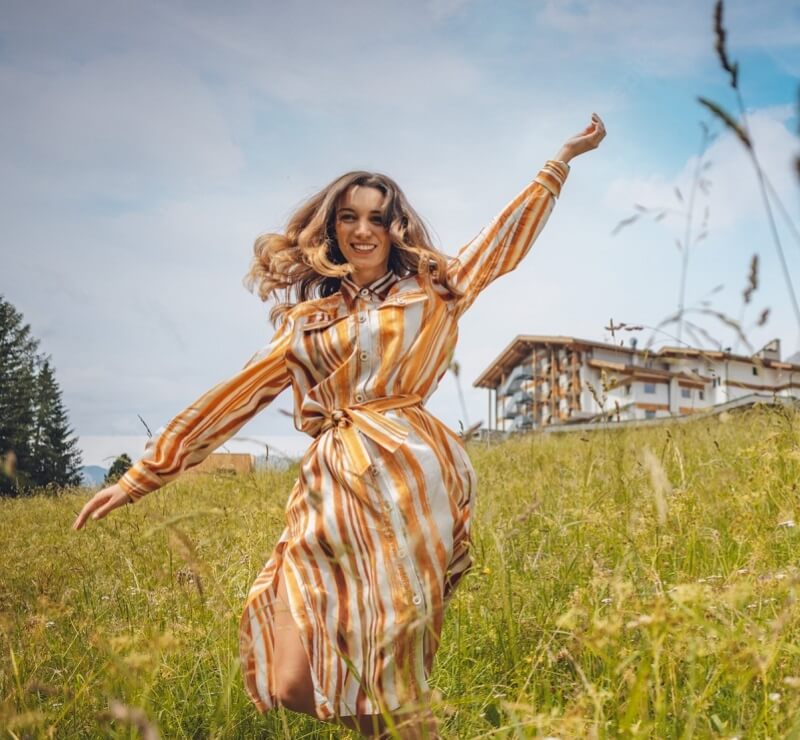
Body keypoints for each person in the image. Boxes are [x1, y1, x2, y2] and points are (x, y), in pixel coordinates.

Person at [73, 113, 607, 738]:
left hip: (406, 473)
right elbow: (232, 398)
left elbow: (499, 244)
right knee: (295, 674)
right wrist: (141, 476)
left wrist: (559, 163)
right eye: (349, 217)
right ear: (331, 228)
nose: (362, 229)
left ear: (394, 226)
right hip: (329, 484)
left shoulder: (432, 289)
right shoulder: (306, 320)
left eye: (377, 217)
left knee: (387, 663)